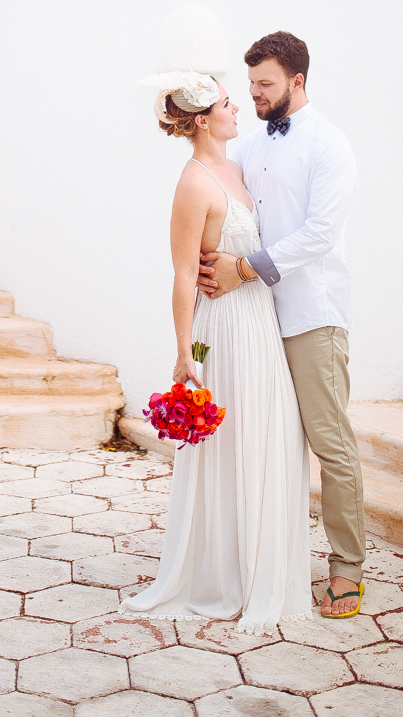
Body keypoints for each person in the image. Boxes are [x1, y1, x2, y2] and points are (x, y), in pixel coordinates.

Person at [123, 70, 311, 633]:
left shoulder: (236, 166)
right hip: (222, 327)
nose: (239, 109)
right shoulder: (194, 183)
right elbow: (183, 274)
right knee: (230, 444)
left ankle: (263, 561)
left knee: (269, 434)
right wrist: (184, 351)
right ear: (204, 120)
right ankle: (224, 571)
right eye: (230, 103)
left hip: (259, 319)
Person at [198, 32, 365, 618]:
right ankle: (262, 558)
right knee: (267, 441)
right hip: (256, 321)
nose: (256, 95)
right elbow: (224, 197)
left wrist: (244, 267)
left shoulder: (330, 145)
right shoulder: (249, 145)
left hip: (311, 314)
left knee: (329, 442)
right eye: (250, 86)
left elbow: (320, 233)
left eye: (266, 84)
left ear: (297, 80)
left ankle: (347, 569)